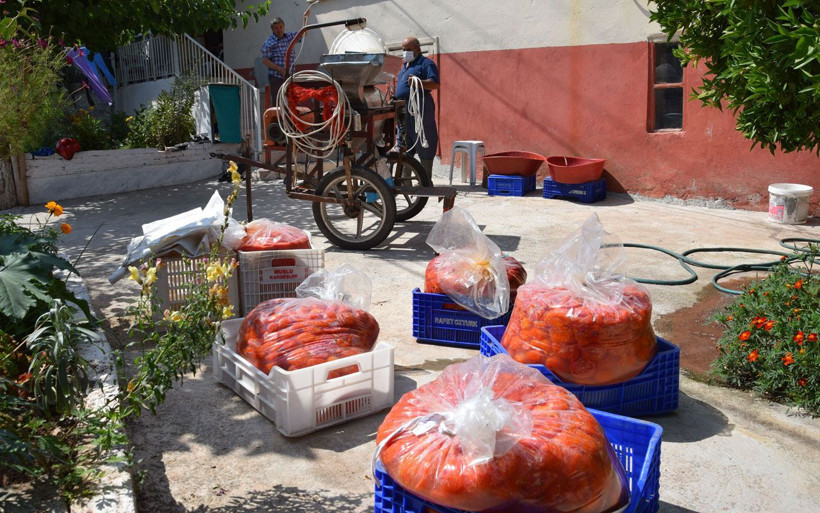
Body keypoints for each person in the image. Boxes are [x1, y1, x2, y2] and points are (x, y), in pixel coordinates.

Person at [394, 36, 440, 180]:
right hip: (403, 109)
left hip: (420, 107)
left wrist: (418, 82)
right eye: (403, 50)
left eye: (408, 50)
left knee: (424, 138)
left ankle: (425, 180)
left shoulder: (426, 64)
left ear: (418, 50)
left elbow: (435, 84)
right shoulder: (404, 66)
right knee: (405, 142)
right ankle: (405, 181)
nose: (405, 53)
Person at [261, 17, 299, 101]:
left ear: (284, 26)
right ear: (272, 30)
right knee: (278, 101)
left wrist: (305, 19)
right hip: (276, 77)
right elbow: (265, 60)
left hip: (290, 75)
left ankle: (290, 114)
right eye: (276, 28)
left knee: (292, 100)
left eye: (281, 27)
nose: (279, 30)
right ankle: (278, 114)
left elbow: (304, 33)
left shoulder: (289, 37)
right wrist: (279, 69)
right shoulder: (269, 42)